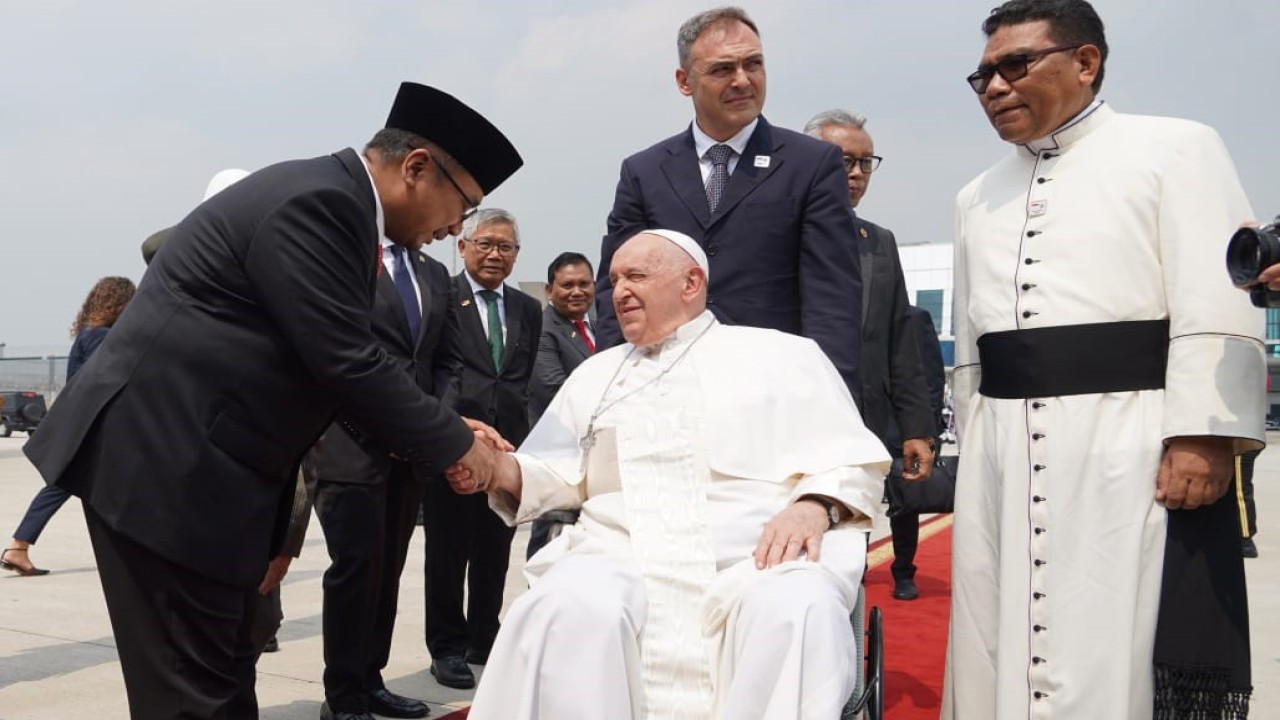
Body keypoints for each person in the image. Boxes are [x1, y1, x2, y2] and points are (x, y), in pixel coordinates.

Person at [23, 82, 523, 719]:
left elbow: (328, 364)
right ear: (417, 168)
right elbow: (346, 361)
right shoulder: (322, 202)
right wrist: (462, 448)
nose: (457, 227)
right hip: (163, 473)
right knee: (192, 695)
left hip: (206, 479)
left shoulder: (333, 201)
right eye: (464, 205)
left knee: (225, 678)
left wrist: (448, 425)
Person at [946, 2, 1264, 717]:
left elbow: (1215, 301)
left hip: (1127, 446)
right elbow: (971, 352)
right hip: (1002, 455)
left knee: (1115, 645)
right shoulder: (975, 196)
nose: (994, 86)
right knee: (996, 639)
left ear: (1085, 62)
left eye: (1015, 65)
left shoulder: (1176, 148)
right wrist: (976, 454)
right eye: (983, 75)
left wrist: (1206, 433)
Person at [453, 229, 891, 720]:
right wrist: (492, 466)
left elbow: (849, 458)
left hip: (754, 558)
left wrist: (813, 506)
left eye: (636, 276)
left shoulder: (783, 355)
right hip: (617, 554)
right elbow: (552, 471)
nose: (618, 291)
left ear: (691, 283)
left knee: (798, 607)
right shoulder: (597, 374)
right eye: (614, 279)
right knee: (563, 607)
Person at [594, 6, 863, 398]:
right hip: (665, 389)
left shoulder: (810, 165)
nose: (742, 80)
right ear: (684, 81)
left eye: (753, 64)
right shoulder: (644, 172)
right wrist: (614, 386)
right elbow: (616, 288)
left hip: (774, 390)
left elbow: (832, 301)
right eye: (723, 70)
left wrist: (830, 401)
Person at [301, 228, 461, 719]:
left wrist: (426, 427)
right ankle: (343, 697)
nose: (450, 226)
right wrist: (387, 429)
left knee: (387, 574)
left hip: (409, 455)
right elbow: (332, 355)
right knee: (355, 572)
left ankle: (371, 681)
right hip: (351, 447)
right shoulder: (346, 256)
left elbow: (446, 362)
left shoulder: (434, 273)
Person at [804, 109, 939, 602]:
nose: (857, 174)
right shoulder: (778, 236)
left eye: (865, 163)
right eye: (843, 162)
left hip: (864, 426)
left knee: (852, 552)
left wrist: (917, 428)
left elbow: (900, 338)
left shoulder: (878, 242)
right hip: (797, 428)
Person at [423, 208, 541, 690]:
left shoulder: (527, 308)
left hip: (506, 449)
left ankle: (483, 637)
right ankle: (447, 647)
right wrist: (452, 430)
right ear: (463, 246)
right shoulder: (443, 297)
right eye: (486, 244)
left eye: (506, 247)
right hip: (453, 440)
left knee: (495, 547)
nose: (495, 254)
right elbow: (433, 368)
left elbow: (516, 379)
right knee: (447, 549)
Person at [2, 276, 135, 577]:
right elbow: (106, 384)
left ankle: (19, 546)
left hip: (82, 426)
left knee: (69, 486)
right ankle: (18, 545)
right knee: (69, 485)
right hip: (93, 428)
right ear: (119, 304)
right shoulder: (101, 338)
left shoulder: (87, 335)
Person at [525, 251, 598, 558]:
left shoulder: (603, 327)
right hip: (559, 454)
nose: (577, 291)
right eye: (567, 285)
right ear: (549, 289)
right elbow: (555, 387)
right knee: (549, 545)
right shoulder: (543, 329)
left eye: (584, 283)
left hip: (595, 454)